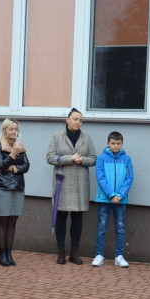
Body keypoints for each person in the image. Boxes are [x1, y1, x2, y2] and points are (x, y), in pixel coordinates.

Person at [46, 108, 97, 265]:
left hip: (80, 183)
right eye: (75, 119)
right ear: (67, 120)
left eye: (80, 120)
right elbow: (50, 157)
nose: (78, 122)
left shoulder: (86, 138)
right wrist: (70, 158)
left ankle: (75, 252)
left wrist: (81, 160)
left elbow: (93, 159)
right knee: (61, 217)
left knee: (77, 218)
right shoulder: (57, 137)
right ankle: (61, 252)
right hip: (63, 182)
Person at [91, 131, 134, 268]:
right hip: (105, 199)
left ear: (122, 144)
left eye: (118, 144)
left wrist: (120, 195)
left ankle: (119, 256)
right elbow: (101, 178)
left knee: (120, 227)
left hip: (120, 200)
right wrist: (111, 195)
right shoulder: (102, 158)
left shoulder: (126, 159)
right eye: (113, 143)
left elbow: (129, 178)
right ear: (108, 144)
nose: (116, 146)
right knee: (102, 226)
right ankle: (99, 255)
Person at [0, 118, 29, 267]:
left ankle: (9, 253)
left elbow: (26, 166)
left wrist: (14, 168)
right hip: (2, 187)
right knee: (3, 221)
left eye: (16, 129)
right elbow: (1, 166)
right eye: (11, 129)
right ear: (4, 130)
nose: (14, 132)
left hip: (18, 187)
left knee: (13, 221)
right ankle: (1, 254)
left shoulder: (21, 146)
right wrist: (13, 154)